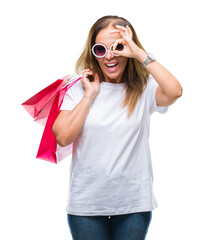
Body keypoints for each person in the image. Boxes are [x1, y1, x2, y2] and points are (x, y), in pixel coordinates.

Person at [53, 15, 182, 240]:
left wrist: (140, 54)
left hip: (133, 203)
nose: (110, 56)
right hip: (87, 205)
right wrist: (89, 96)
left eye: (118, 47)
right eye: (101, 49)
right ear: (93, 52)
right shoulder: (80, 87)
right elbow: (63, 137)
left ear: (129, 49)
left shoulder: (144, 88)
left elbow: (174, 91)